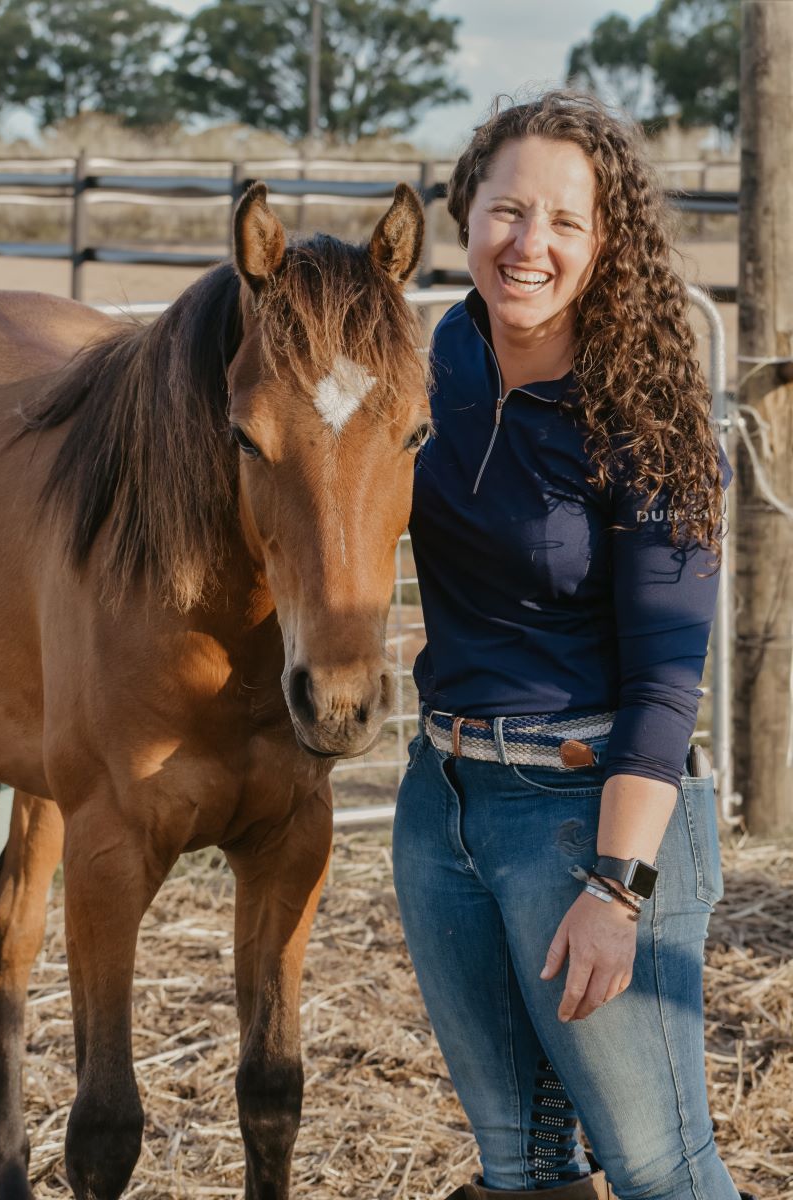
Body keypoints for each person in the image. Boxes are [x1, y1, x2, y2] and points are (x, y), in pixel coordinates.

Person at [392, 91, 755, 1200]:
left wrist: (615, 888)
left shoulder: (648, 419)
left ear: (607, 242)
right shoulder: (429, 364)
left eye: (562, 221)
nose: (527, 245)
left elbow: (663, 683)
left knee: (659, 1168)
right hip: (440, 805)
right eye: (506, 211)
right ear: (465, 213)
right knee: (524, 1170)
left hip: (583, 811)